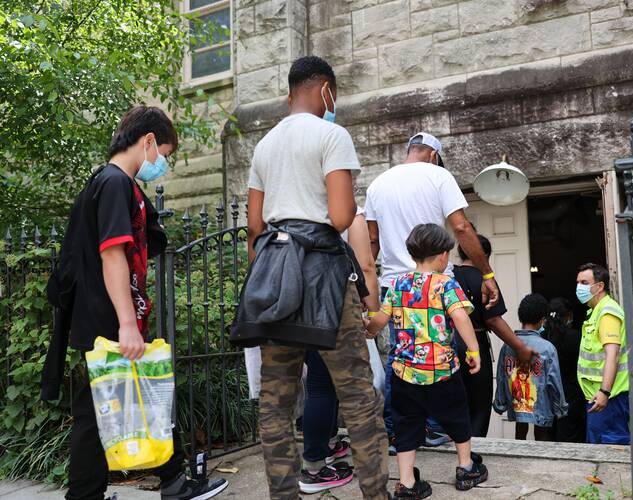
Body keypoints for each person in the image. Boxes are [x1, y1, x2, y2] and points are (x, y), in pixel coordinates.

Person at [42, 106, 228, 499]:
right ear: (147, 142)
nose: (161, 164)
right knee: (97, 413)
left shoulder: (115, 184)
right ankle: (158, 485)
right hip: (107, 318)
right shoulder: (113, 183)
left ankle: (173, 481)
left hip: (107, 313)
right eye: (163, 153)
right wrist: (126, 322)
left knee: (136, 397)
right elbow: (112, 254)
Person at [238, 56, 389, 499]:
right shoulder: (331, 134)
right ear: (326, 90)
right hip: (323, 276)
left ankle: (283, 493)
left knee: (276, 402)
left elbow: (254, 226)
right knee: (357, 395)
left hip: (276, 275)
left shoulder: (264, 145)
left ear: (290, 93)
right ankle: (375, 494)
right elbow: (342, 216)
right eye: (334, 96)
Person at [365, 132, 515, 450]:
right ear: (434, 155)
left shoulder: (377, 184)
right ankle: (433, 427)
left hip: (395, 285)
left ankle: (396, 431)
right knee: (439, 353)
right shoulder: (438, 175)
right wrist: (486, 273)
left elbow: (372, 242)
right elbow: (461, 227)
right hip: (434, 284)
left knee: (398, 358)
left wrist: (368, 293)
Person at [366, 224, 489, 498]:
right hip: (441, 370)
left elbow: (381, 320)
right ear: (444, 255)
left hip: (403, 372)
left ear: (412, 255)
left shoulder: (398, 284)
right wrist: (473, 350)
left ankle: (408, 483)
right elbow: (460, 317)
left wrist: (369, 328)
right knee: (457, 415)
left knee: (405, 424)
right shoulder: (446, 284)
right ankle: (466, 467)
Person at [298, 207, 382, 494]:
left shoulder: (299, 214)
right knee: (333, 387)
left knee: (321, 384)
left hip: (304, 309)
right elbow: (365, 267)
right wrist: (373, 313)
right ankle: (314, 467)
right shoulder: (350, 215)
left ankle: (328, 446)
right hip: (335, 308)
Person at [452, 235, 535, 437]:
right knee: (478, 407)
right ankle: (471, 456)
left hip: (446, 343)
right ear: (485, 256)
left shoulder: (448, 275)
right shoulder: (484, 280)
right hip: (475, 344)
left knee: (452, 403)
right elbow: (493, 320)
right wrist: (521, 347)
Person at [493, 294, 567, 442]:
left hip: (516, 402)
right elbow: (554, 381)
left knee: (519, 432)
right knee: (541, 436)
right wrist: (560, 408)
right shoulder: (547, 348)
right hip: (540, 406)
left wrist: (499, 403)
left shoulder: (507, 346)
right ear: (542, 320)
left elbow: (501, 377)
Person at [576, 263, 630, 445]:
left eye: (584, 282)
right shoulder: (595, 311)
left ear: (599, 286)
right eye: (578, 282)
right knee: (598, 452)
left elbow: (612, 354)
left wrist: (604, 392)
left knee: (611, 449)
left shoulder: (607, 313)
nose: (579, 287)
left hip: (608, 399)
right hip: (597, 398)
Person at [544, 298, 587, 443]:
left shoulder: (544, 337)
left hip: (548, 396)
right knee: (571, 438)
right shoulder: (575, 337)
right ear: (568, 316)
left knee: (550, 437)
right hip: (571, 396)